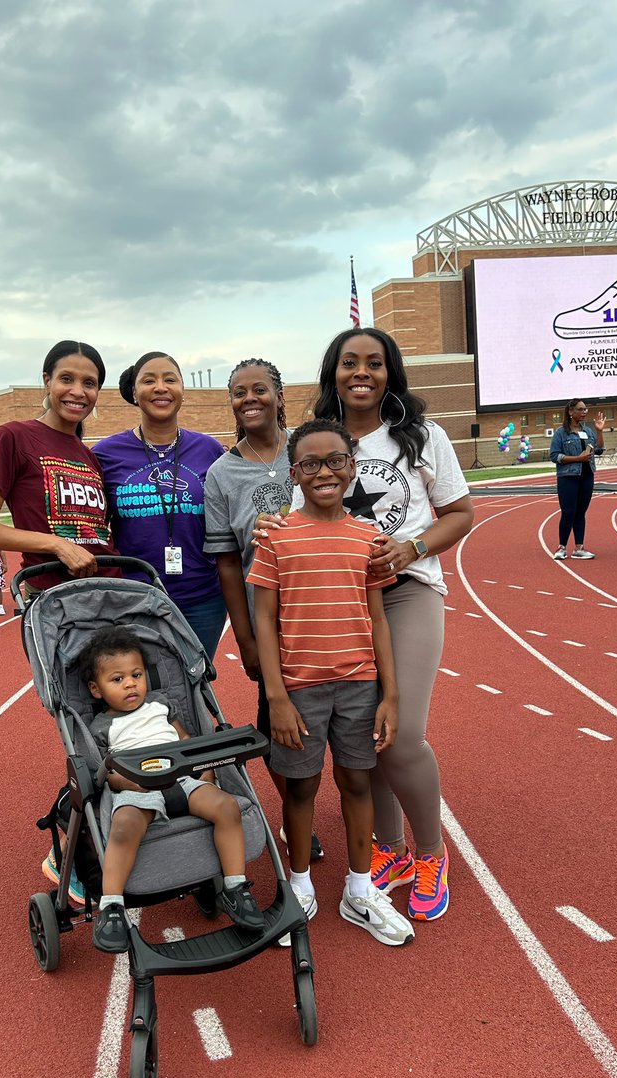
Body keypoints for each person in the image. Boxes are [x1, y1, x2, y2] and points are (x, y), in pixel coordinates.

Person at [256, 328, 474, 923]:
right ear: (333, 373)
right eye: (349, 362)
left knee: (399, 735)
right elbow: (284, 509)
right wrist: (266, 526)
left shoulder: (422, 436)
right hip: (335, 602)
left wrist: (412, 549)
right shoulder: (308, 442)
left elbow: (460, 514)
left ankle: (430, 853)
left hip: (404, 595)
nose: (362, 372)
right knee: (364, 734)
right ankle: (389, 848)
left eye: (374, 363)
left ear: (390, 372)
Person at [0, 339, 120, 905]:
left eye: (89, 382)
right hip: (54, 606)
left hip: (104, 599)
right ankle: (72, 853)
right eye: (68, 379)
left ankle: (111, 839)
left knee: (118, 727)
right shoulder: (14, 436)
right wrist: (53, 543)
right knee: (82, 729)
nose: (78, 391)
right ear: (47, 381)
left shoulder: (89, 456)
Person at [250, 417, 412, 947]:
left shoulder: (369, 537)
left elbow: (378, 619)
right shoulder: (276, 537)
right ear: (294, 473)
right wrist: (276, 696)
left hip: (359, 685)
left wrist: (390, 694)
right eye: (311, 463)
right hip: (299, 688)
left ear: (351, 468)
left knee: (357, 781)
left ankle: (359, 890)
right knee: (299, 788)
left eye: (336, 461)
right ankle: (298, 886)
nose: (325, 472)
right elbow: (263, 620)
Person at [204, 357, 324, 862]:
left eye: (259, 390)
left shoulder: (313, 448)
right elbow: (228, 566)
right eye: (238, 393)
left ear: (279, 394)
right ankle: (299, 813)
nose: (248, 399)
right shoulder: (221, 473)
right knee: (280, 725)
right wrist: (247, 638)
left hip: (332, 614)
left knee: (348, 722)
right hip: (271, 625)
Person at [83, 627, 265, 953]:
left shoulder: (160, 704)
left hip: (183, 778)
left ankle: (235, 886)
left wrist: (204, 768)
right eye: (118, 679)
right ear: (96, 690)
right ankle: (111, 905)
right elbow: (106, 773)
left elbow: (184, 741)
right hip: (137, 787)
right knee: (123, 827)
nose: (130, 684)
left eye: (136, 675)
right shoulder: (101, 726)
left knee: (227, 808)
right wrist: (128, 782)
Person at [92, 352, 227, 661]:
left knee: (197, 685)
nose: (160, 387)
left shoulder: (209, 449)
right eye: (148, 380)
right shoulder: (106, 454)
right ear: (134, 393)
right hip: (134, 598)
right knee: (147, 692)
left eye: (170, 379)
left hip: (203, 599)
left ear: (182, 390)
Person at [549, 400, 606, 560]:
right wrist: (577, 458)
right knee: (568, 512)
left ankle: (579, 548)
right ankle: (561, 547)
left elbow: (600, 449)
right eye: (580, 409)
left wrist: (599, 431)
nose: (584, 412)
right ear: (570, 412)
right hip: (568, 477)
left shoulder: (588, 431)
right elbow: (555, 456)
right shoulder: (561, 433)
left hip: (587, 476)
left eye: (585, 409)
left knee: (581, 512)